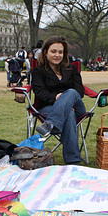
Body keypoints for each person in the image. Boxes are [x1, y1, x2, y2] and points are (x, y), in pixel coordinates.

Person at [32, 36, 86, 165]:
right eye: (53, 51)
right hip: (48, 106)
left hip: (76, 105)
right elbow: (40, 91)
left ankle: (50, 124)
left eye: (60, 52)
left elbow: (79, 90)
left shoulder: (71, 69)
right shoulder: (39, 71)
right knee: (69, 114)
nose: (57, 55)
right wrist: (57, 100)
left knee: (72, 92)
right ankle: (73, 161)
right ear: (45, 52)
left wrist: (66, 99)